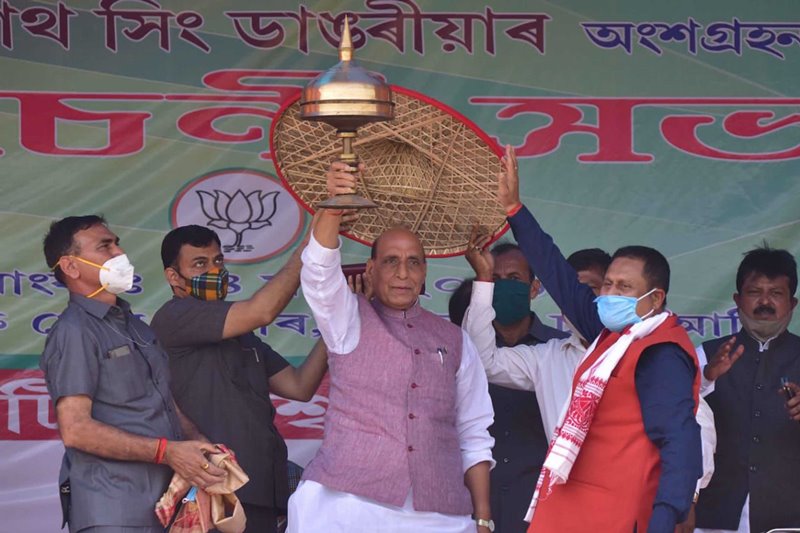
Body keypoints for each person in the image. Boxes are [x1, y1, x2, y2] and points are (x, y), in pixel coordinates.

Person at [496, 145, 703, 533]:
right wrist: (515, 212)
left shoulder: (659, 352)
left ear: (655, 299)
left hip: (616, 515)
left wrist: (665, 517)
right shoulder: (610, 335)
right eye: (607, 283)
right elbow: (557, 274)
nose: (609, 294)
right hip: (570, 507)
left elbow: (680, 441)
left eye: (625, 287)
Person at [288, 161, 496, 533]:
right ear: (370, 270)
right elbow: (319, 275)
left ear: (425, 272)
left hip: (439, 516)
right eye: (391, 261)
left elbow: (474, 431)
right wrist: (331, 208)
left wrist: (482, 517)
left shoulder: (455, 341)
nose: (403, 274)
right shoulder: (347, 321)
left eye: (413, 263)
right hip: (346, 507)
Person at [40, 215, 226, 533]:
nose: (119, 252)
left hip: (168, 509)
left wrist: (204, 446)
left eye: (117, 243)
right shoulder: (75, 331)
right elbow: (75, 430)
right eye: (105, 246)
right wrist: (167, 452)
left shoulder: (136, 326)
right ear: (71, 267)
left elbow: (166, 404)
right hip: (115, 510)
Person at [150, 224, 329, 533]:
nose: (214, 270)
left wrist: (338, 316)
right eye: (200, 264)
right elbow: (262, 311)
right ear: (173, 277)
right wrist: (311, 250)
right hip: (211, 494)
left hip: (260, 491)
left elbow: (300, 387)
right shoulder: (173, 316)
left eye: (218, 261)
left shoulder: (242, 335)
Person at [694, 245, 800, 533]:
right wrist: (706, 378)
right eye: (755, 292)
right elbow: (677, 421)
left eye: (776, 293)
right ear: (737, 300)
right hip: (714, 515)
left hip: (790, 518)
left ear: (792, 303)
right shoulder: (705, 355)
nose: (765, 302)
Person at [461, 246, 611, 438]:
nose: (577, 301)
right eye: (569, 293)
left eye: (589, 290)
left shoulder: (634, 353)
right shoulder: (549, 357)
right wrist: (483, 279)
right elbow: (482, 360)